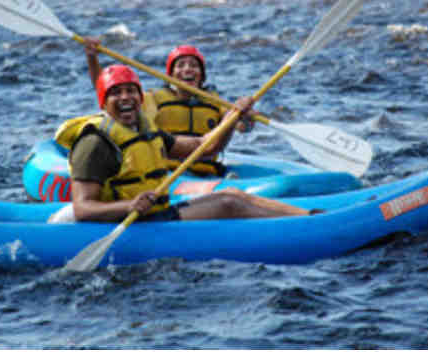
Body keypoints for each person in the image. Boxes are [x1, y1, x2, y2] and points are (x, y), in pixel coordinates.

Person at [52, 64, 318, 222]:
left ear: (140, 97)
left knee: (234, 194)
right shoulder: (94, 143)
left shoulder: (145, 130)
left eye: (131, 91)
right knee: (228, 205)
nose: (125, 97)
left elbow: (206, 147)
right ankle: (306, 229)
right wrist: (129, 206)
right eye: (116, 93)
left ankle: (309, 217)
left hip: (155, 214)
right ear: (103, 102)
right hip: (131, 221)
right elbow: (83, 208)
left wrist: (233, 116)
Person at [83, 38, 255, 176]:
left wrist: (246, 117)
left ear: (202, 76)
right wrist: (92, 58)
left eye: (194, 65)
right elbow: (107, 90)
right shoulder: (154, 98)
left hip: (207, 171)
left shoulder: (215, 102)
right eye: (180, 65)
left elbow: (242, 127)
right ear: (170, 75)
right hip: (169, 173)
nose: (187, 69)